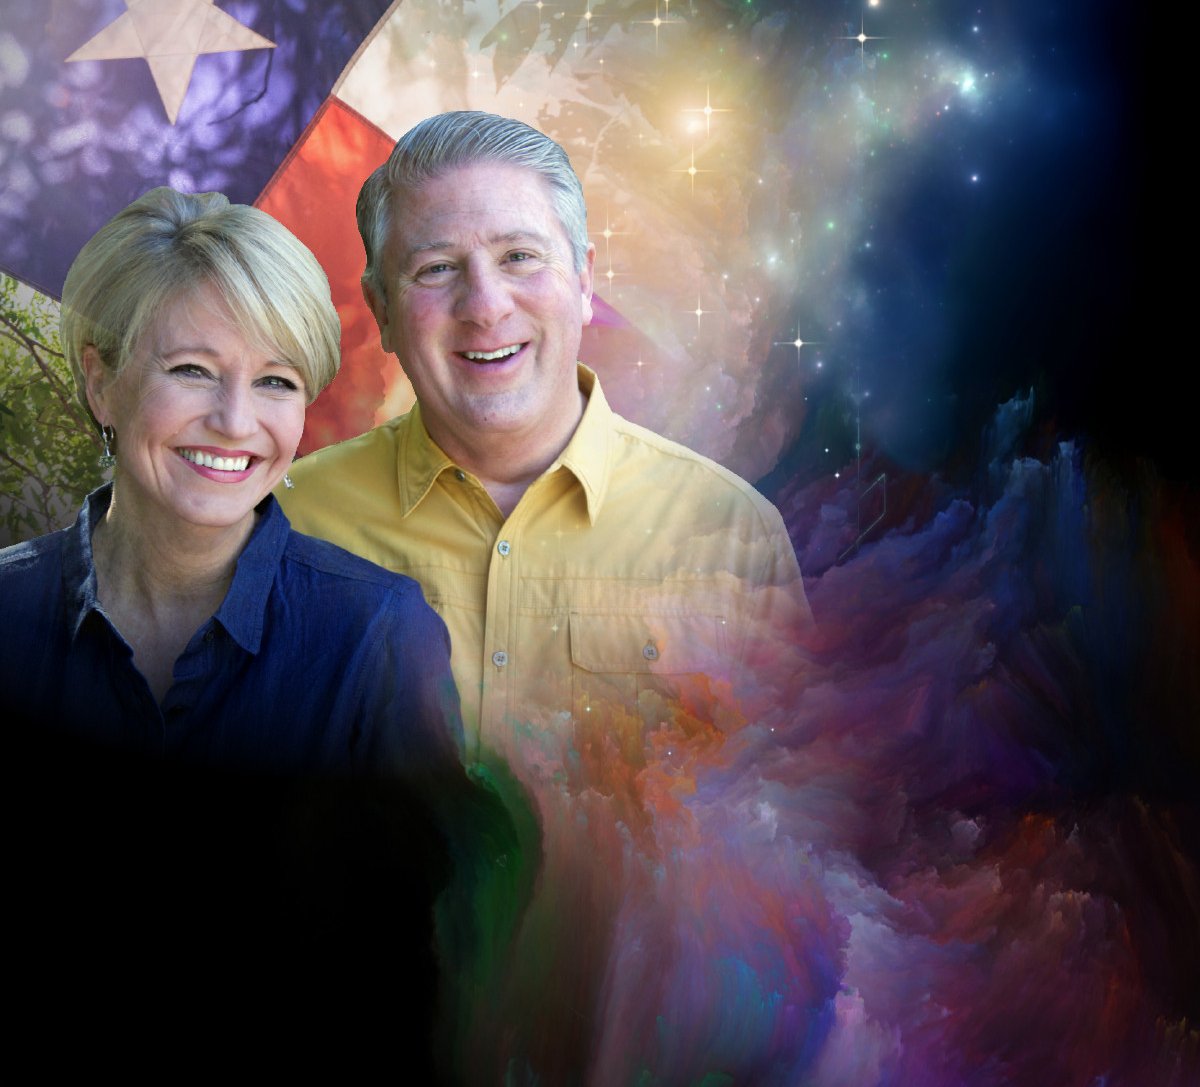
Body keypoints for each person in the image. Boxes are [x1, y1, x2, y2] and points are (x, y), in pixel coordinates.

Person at [279, 112, 816, 1084]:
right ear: (383, 306)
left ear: (583, 275)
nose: (486, 307)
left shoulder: (729, 535)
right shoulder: (289, 527)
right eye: (436, 269)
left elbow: (799, 864)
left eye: (520, 257)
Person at [0, 187, 484, 1079]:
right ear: (102, 379)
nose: (235, 421)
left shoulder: (376, 635)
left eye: (276, 382)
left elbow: (417, 970)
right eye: (191, 369)